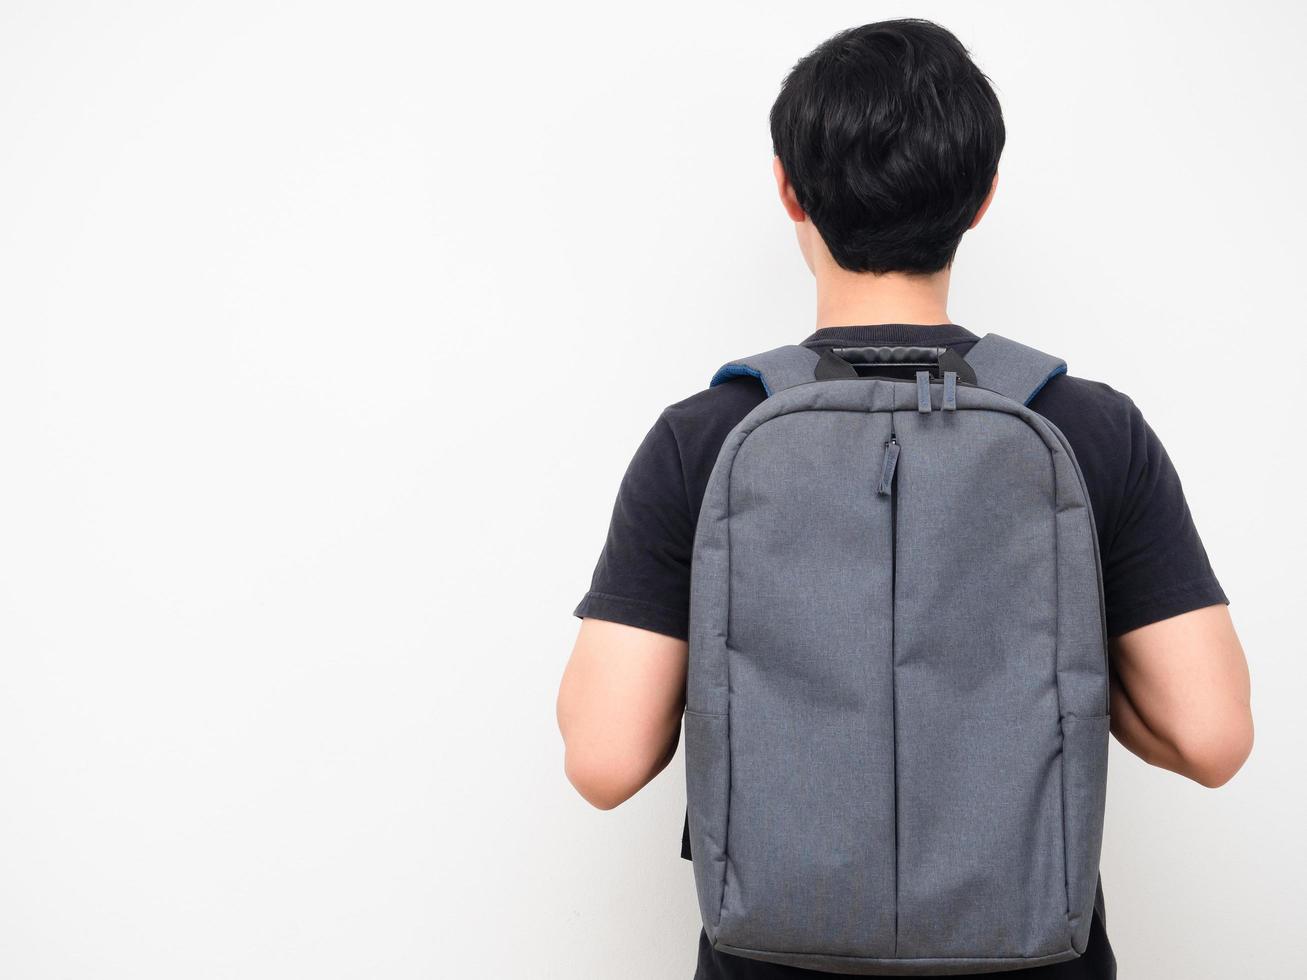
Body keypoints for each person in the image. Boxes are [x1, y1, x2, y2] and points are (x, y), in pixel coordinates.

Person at [556, 19, 1253, 980]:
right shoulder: (1089, 429)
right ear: (981, 196)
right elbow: (1210, 738)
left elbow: (603, 760)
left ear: (787, 189)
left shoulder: (704, 437)